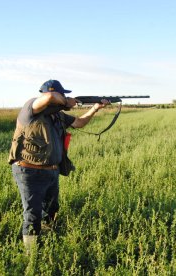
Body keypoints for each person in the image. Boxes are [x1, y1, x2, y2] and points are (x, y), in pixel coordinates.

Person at [8, 80, 109, 253]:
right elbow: (49, 97)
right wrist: (67, 102)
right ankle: (31, 255)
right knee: (33, 214)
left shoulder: (57, 115)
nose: (64, 97)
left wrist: (95, 108)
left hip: (51, 170)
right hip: (29, 171)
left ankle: (48, 238)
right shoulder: (30, 109)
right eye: (62, 95)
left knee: (52, 208)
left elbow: (79, 123)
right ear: (57, 95)